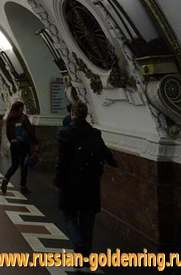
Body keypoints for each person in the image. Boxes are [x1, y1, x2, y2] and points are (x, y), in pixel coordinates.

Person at [54, 101, 117, 257]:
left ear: (72, 114)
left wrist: (58, 179)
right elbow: (106, 154)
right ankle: (86, 255)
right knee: (87, 219)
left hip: (71, 181)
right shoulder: (95, 133)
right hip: (91, 182)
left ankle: (78, 244)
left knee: (69, 215)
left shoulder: (65, 133)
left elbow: (62, 160)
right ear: (86, 114)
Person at [1, 100, 37, 195]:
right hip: (23, 145)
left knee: (14, 165)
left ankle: (6, 178)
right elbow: (30, 130)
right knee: (24, 165)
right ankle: (23, 186)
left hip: (13, 144)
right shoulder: (23, 117)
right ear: (20, 108)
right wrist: (34, 142)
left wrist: (12, 141)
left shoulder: (10, 117)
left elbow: (8, 133)